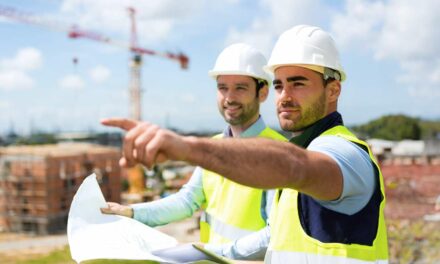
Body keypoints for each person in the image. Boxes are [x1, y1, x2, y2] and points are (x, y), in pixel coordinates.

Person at [102, 25, 389, 263]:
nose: (285, 96)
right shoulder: (296, 150)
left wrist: (188, 148)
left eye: (298, 84)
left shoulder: (347, 154)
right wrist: (133, 214)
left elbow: (294, 166)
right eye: (279, 85)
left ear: (333, 90)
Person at [101, 43, 287, 260]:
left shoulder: (280, 153)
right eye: (222, 87)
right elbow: (187, 201)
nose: (229, 97)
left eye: (240, 87)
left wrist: (210, 252)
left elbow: (276, 234)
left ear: (262, 93)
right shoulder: (212, 146)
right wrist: (131, 212)